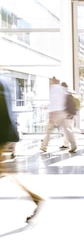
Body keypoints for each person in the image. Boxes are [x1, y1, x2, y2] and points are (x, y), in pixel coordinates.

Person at [1, 76, 44, 223]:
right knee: (7, 172)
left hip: (1, 136)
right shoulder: (5, 81)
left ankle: (37, 198)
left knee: (7, 172)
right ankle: (36, 198)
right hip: (4, 135)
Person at [40, 77, 77, 153]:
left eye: (50, 81)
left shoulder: (53, 88)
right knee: (67, 129)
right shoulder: (62, 88)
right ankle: (74, 145)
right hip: (64, 112)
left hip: (56, 113)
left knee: (49, 130)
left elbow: (54, 102)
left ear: (52, 81)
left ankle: (43, 146)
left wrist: (51, 115)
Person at [59, 82, 79, 150]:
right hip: (73, 113)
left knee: (67, 130)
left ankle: (72, 145)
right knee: (68, 129)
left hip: (67, 114)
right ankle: (66, 144)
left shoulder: (65, 93)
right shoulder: (71, 92)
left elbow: (65, 104)